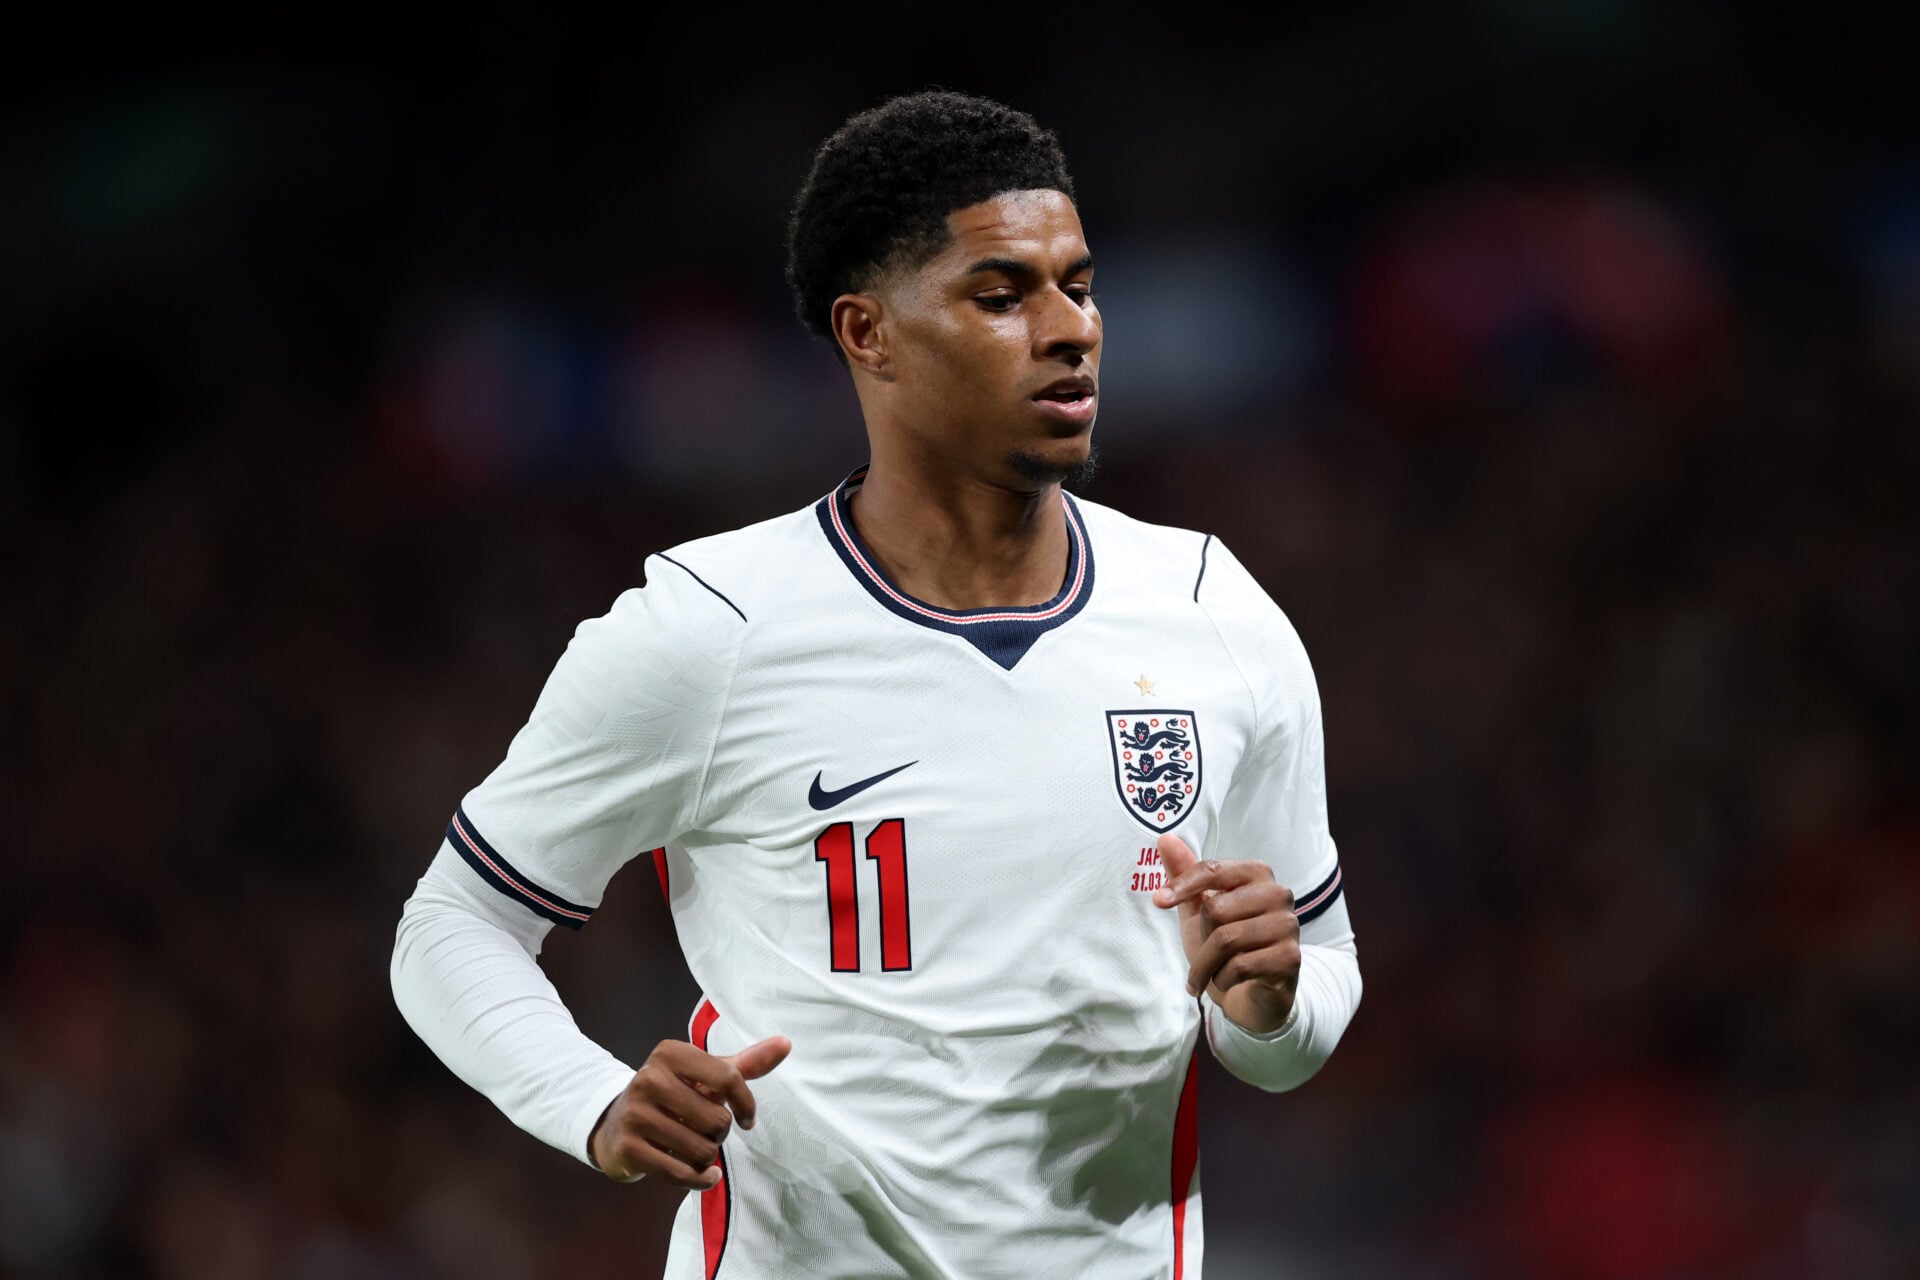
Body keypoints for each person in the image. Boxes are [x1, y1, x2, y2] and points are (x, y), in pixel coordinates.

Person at [392, 90, 1360, 1279]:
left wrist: (1271, 1002)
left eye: (1079, 285)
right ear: (870, 333)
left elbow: (1304, 1002)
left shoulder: (1211, 611)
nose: (1070, 328)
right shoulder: (713, 629)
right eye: (1001, 295)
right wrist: (590, 1097)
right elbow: (453, 922)